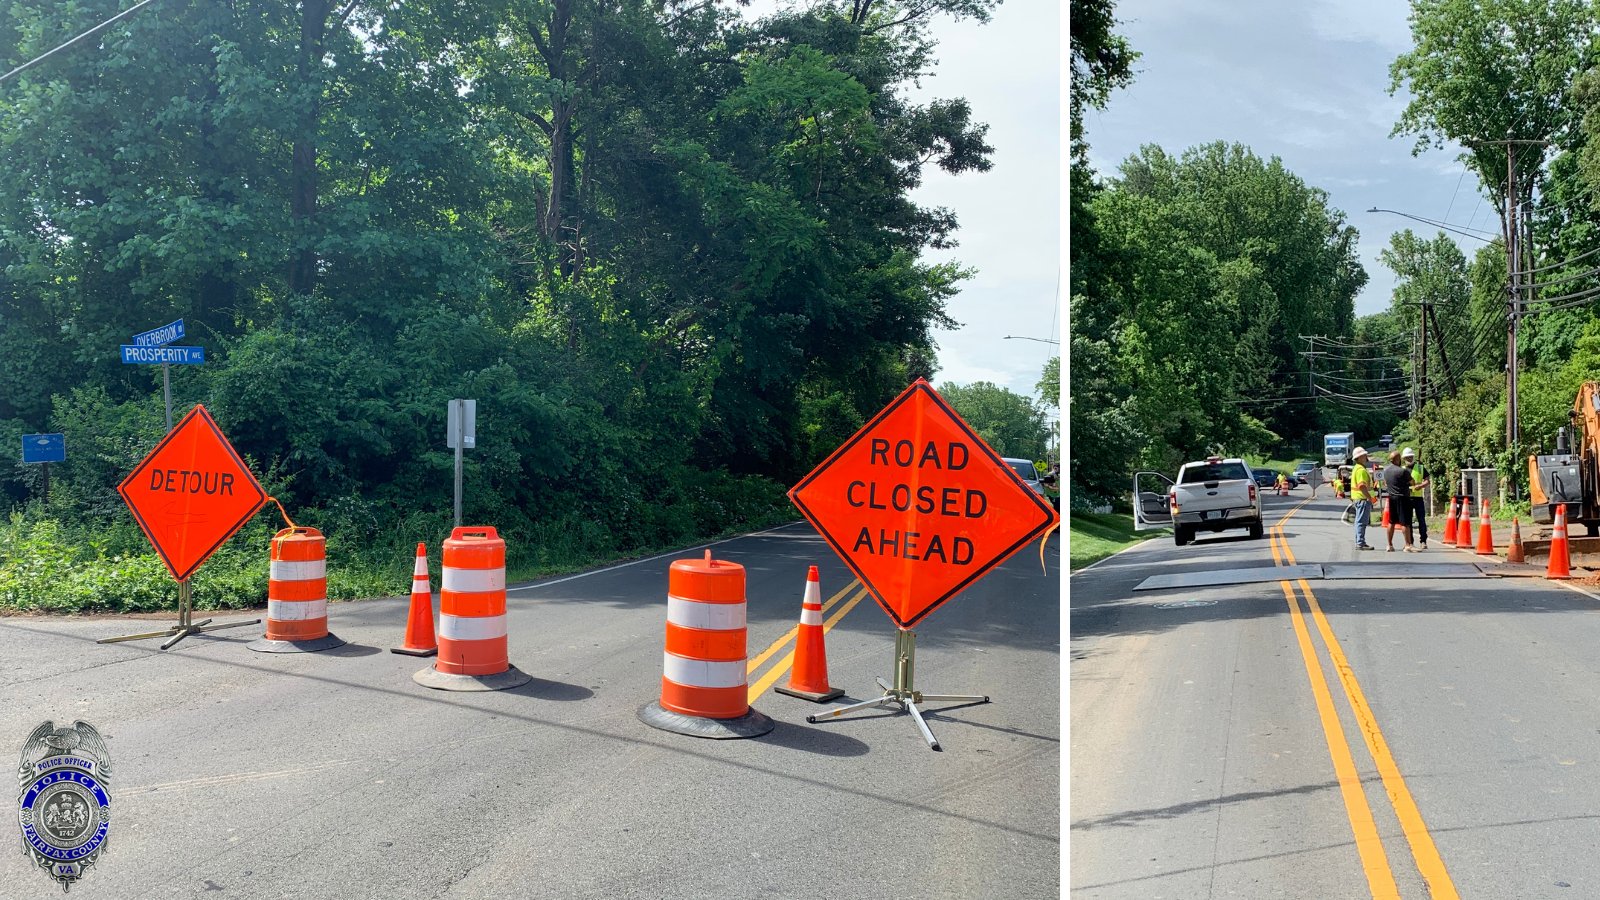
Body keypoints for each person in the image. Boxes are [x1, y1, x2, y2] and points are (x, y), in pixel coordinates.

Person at [1382, 449, 1417, 552]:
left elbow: (1386, 483)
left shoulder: (1386, 471)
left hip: (1391, 498)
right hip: (1403, 498)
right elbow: (1413, 482)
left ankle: (1389, 545)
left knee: (1391, 522)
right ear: (1397, 459)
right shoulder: (1403, 471)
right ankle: (1407, 545)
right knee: (1405, 523)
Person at [1349, 447, 1376, 550]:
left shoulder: (1357, 468)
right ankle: (1360, 542)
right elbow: (1362, 486)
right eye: (1364, 455)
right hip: (1363, 499)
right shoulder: (1361, 470)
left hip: (1358, 499)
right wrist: (1370, 498)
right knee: (1361, 522)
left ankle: (1360, 542)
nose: (1366, 457)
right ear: (1359, 457)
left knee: (1358, 521)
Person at [1403, 447, 1430, 550]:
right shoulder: (1402, 469)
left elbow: (1427, 480)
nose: (1409, 459)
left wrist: (1421, 486)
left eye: (1410, 457)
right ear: (1404, 458)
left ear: (1413, 457)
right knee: (1408, 521)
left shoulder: (1420, 467)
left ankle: (1423, 541)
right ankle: (1410, 542)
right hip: (1407, 498)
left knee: (1421, 520)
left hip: (1418, 497)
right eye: (1407, 457)